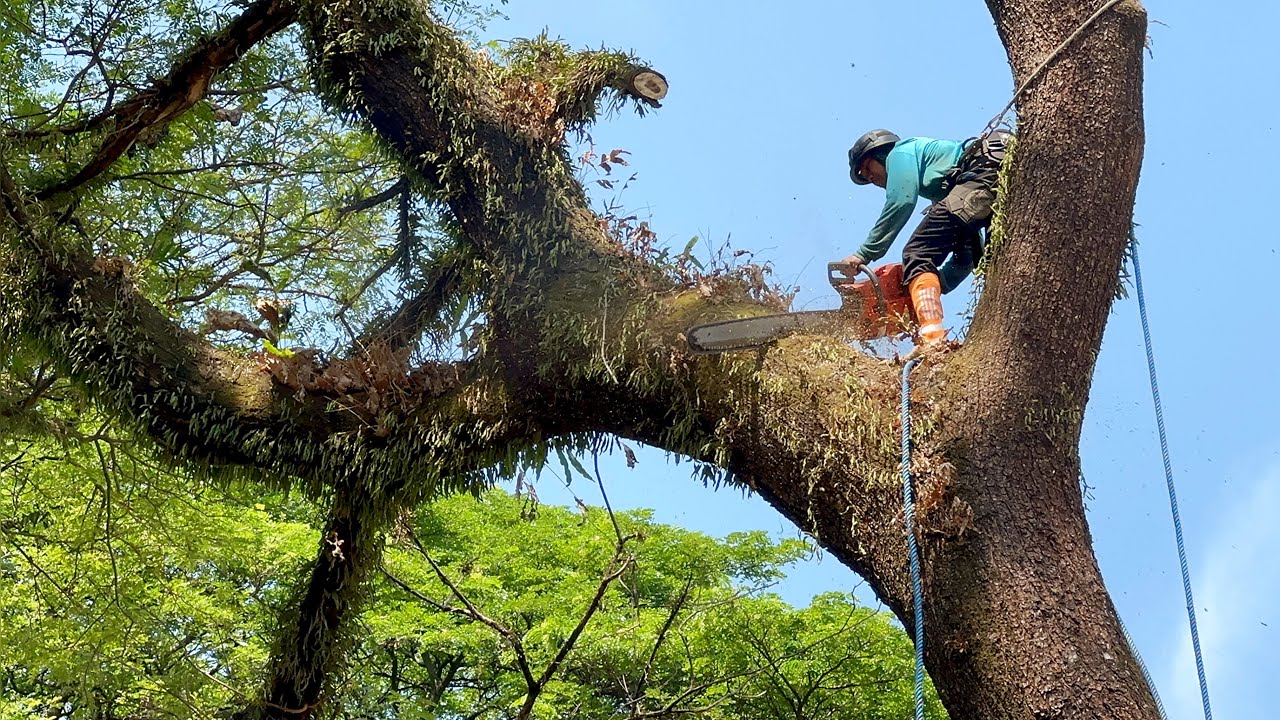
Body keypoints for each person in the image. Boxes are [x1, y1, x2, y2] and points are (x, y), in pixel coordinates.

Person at [844, 129, 1011, 347]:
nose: (872, 179)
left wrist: (864, 253)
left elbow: (900, 202)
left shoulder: (900, 153)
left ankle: (933, 341)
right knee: (992, 264)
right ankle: (931, 319)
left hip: (983, 170)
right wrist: (927, 287)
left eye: (868, 169)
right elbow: (966, 258)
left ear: (880, 154)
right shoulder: (949, 193)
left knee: (917, 253)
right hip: (991, 176)